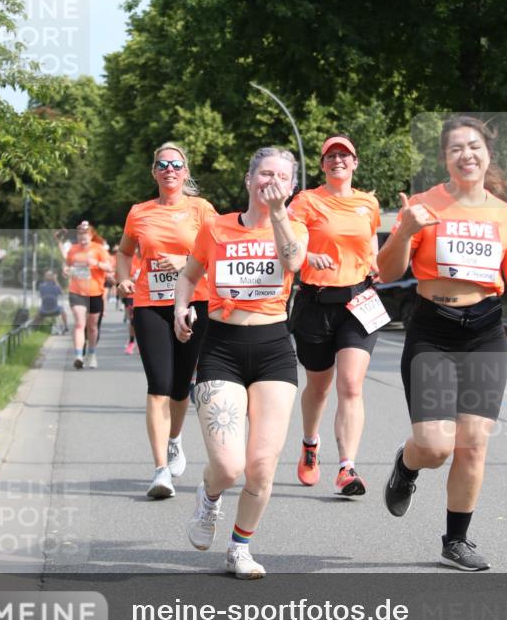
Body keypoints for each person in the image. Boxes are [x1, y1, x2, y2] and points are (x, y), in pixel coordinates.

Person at [377, 114, 507, 571]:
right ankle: (407, 465)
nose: (466, 155)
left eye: (473, 146)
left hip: (485, 331)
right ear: (444, 157)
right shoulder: (423, 204)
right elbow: (388, 272)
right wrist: (406, 230)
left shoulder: (505, 215)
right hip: (433, 329)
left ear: (487, 153)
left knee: (473, 442)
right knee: (435, 446)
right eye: (455, 148)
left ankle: (456, 541)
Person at [174, 147, 308, 579]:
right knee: (230, 466)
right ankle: (209, 497)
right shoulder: (216, 229)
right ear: (248, 180)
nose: (272, 181)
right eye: (264, 173)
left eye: (281, 177)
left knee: (262, 465)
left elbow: (294, 263)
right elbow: (190, 276)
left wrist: (279, 214)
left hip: (274, 348)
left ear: (291, 186)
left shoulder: (295, 226)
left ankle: (240, 547)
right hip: (223, 347)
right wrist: (180, 307)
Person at [288, 135, 387, 497]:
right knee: (319, 386)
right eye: (331, 156)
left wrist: (377, 265)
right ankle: (310, 444)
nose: (338, 160)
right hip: (315, 303)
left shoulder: (368, 203)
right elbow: (292, 241)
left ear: (355, 162)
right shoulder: (306, 201)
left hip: (358, 302)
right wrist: (305, 256)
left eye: (344, 155)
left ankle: (347, 467)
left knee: (351, 385)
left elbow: (370, 244)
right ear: (322, 165)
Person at [116, 143, 216, 499]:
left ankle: (175, 440)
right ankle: (160, 471)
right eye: (162, 164)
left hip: (193, 303)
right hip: (151, 306)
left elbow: (218, 250)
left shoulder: (201, 209)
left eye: (176, 164)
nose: (169, 169)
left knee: (179, 387)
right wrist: (123, 277)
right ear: (154, 172)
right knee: (158, 385)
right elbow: (125, 253)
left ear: (185, 172)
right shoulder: (139, 212)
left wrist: (186, 261)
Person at [56, 221, 112, 369]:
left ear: (91, 235)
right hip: (77, 291)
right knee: (80, 324)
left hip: (95, 292)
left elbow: (109, 267)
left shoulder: (99, 249)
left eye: (86, 234)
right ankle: (79, 356)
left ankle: (91, 354)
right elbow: (67, 265)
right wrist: (66, 270)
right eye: (80, 234)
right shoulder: (73, 250)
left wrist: (97, 263)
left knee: (92, 327)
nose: (83, 237)